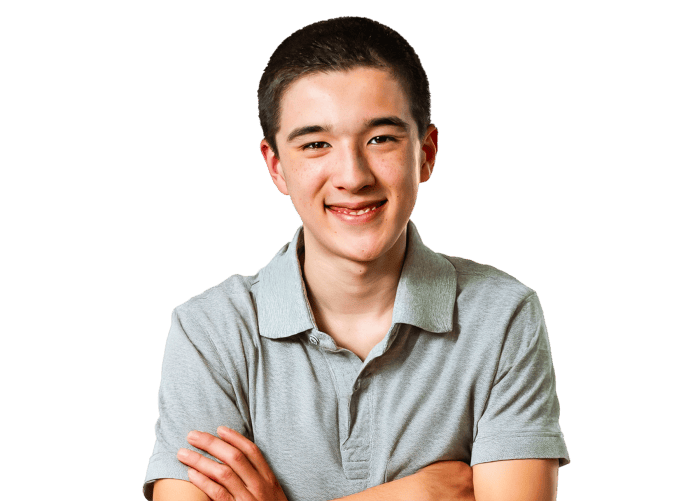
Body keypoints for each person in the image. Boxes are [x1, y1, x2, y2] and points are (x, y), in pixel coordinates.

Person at [143, 16, 570, 501]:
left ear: (427, 153)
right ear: (276, 167)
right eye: (316, 145)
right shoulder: (211, 329)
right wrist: (419, 495)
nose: (353, 176)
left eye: (381, 138)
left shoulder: (503, 315)